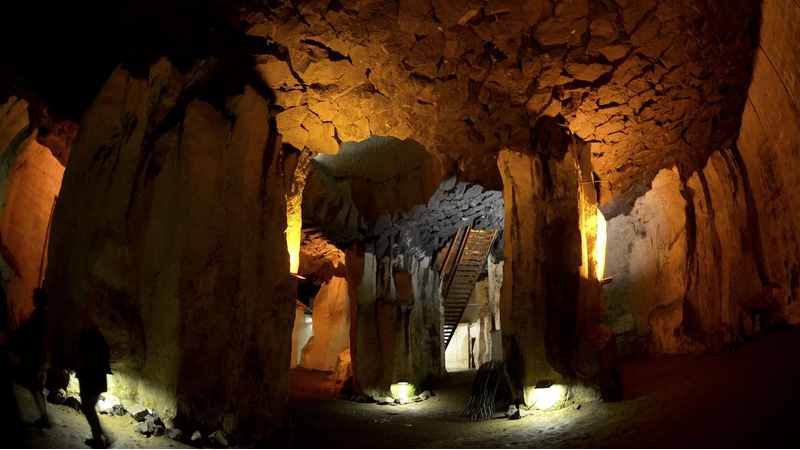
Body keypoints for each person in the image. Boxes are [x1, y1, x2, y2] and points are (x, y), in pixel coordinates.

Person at [11, 288, 51, 428]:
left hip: (36, 358)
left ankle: (44, 418)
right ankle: (44, 417)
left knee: (33, 386)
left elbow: (33, 337)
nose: (32, 299)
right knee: (36, 387)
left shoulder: (39, 315)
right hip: (41, 358)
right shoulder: (43, 315)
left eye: (34, 297)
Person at [76, 307, 112, 449]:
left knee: (88, 408)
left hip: (92, 379)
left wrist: (85, 361)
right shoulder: (89, 334)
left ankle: (100, 438)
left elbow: (101, 358)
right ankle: (100, 436)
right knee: (88, 408)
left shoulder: (94, 336)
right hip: (90, 378)